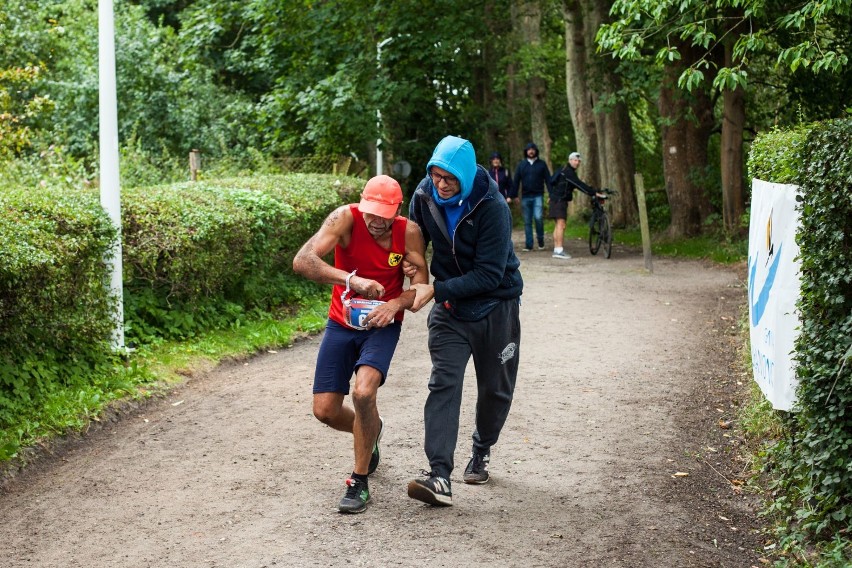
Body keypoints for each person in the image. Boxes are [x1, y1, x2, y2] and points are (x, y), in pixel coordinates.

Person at [292, 174, 428, 514]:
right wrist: (351, 279)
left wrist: (396, 302)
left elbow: (423, 285)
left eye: (385, 214)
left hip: (382, 324)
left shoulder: (408, 231)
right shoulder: (345, 217)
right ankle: (372, 429)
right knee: (324, 410)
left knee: (364, 393)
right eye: (371, 211)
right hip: (342, 321)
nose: (376, 221)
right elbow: (303, 261)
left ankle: (359, 480)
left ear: (397, 210)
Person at [405, 135, 523, 507]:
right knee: (444, 383)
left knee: (495, 389)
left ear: (467, 176)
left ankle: (482, 447)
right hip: (451, 313)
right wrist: (408, 272)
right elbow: (411, 242)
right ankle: (439, 475)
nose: (440, 185)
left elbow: (489, 274)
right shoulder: (424, 194)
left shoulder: (492, 206)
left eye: (449, 179)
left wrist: (436, 290)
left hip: (495, 306)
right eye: (436, 175)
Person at [550, 151, 597, 259]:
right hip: (559, 201)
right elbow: (578, 184)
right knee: (561, 225)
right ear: (570, 160)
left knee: (558, 225)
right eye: (575, 160)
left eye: (578, 161)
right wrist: (593, 192)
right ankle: (559, 250)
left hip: (556, 200)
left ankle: (557, 249)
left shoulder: (563, 170)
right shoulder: (567, 172)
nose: (577, 163)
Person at [511, 142, 551, 251]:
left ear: (536, 151)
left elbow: (548, 180)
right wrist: (514, 195)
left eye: (533, 149)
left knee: (538, 218)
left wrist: (551, 195)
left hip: (538, 195)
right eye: (529, 149)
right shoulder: (522, 165)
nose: (531, 151)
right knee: (527, 221)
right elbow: (516, 181)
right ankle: (529, 245)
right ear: (526, 151)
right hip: (525, 197)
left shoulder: (542, 164)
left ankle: (541, 241)